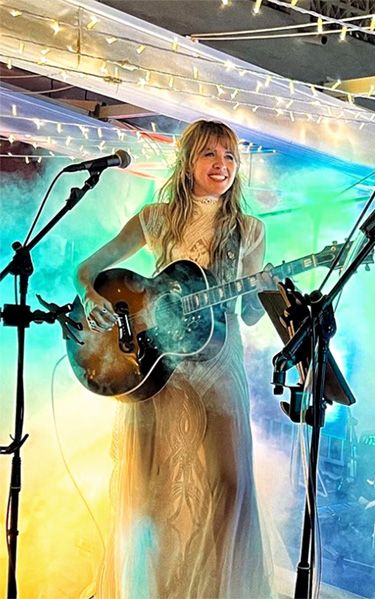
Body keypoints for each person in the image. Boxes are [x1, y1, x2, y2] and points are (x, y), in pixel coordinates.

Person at [75, 120, 273, 597]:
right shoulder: (156, 217)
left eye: (228, 156)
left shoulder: (250, 229)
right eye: (209, 155)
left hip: (220, 363)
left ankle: (212, 589)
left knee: (229, 484)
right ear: (188, 162)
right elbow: (88, 270)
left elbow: (248, 316)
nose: (221, 165)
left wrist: (263, 288)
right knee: (153, 486)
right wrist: (100, 305)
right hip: (157, 366)